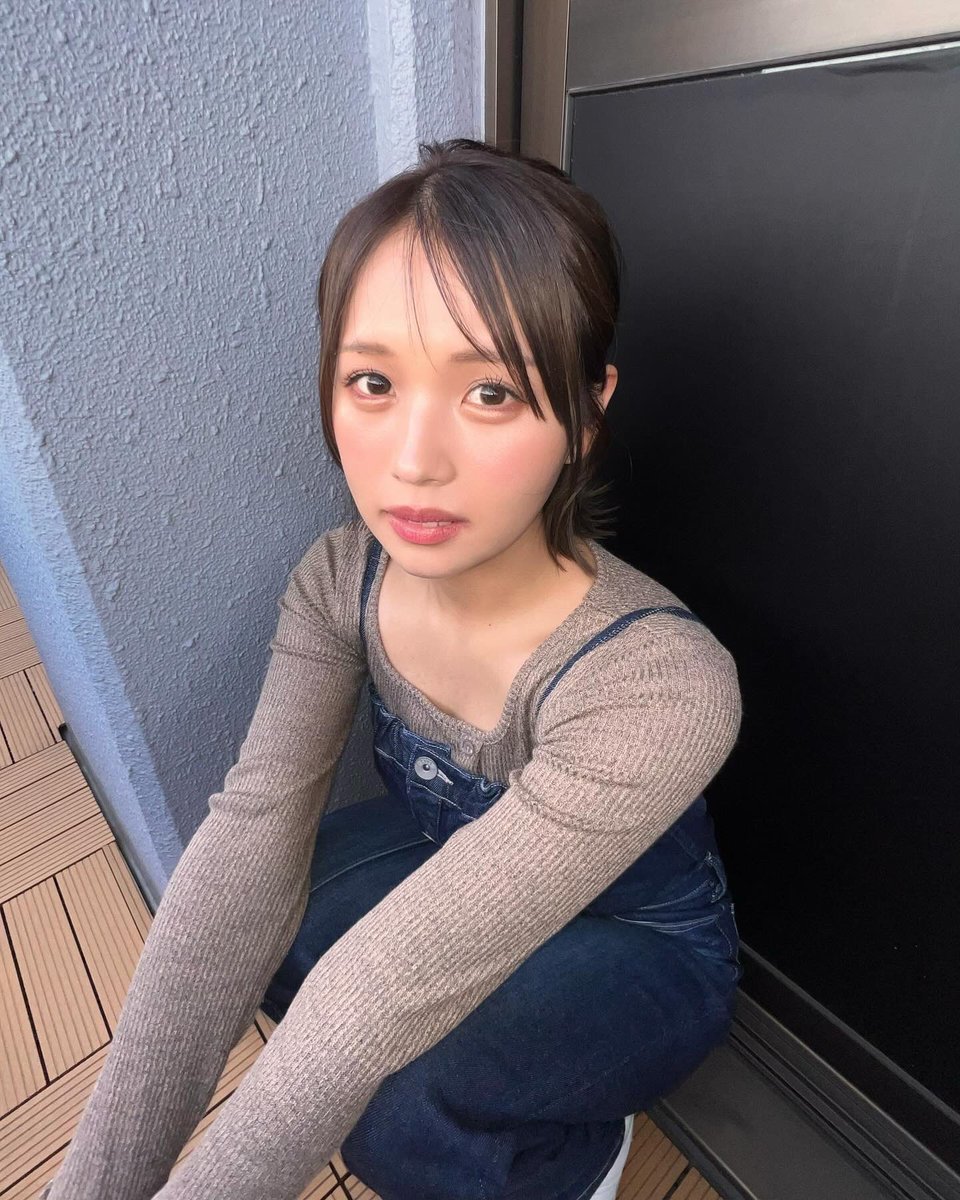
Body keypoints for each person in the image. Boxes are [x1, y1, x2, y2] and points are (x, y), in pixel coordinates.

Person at [40, 138, 743, 1200]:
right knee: (260, 925)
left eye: (491, 392)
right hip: (450, 862)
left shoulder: (662, 686)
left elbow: (368, 999)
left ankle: (570, 1159)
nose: (414, 461)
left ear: (587, 413)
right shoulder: (341, 580)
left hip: (638, 942)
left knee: (391, 1103)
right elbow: (248, 839)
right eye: (372, 381)